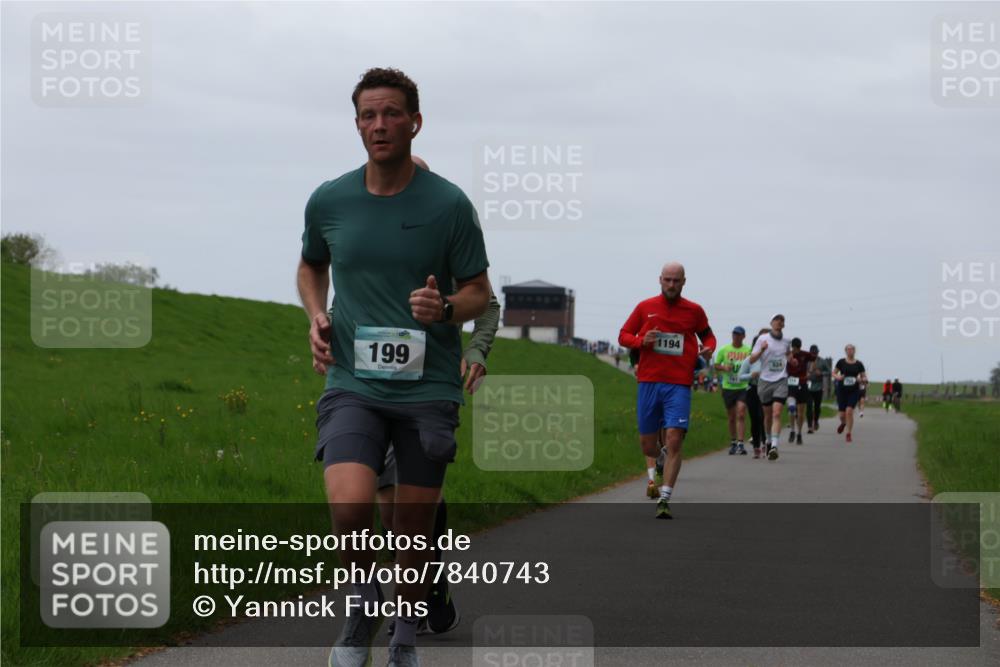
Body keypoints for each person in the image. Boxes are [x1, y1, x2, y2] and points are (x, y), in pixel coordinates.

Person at [298, 67, 491, 667]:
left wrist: (445, 308)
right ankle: (359, 615)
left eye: (391, 114)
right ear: (357, 124)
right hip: (353, 382)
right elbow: (311, 266)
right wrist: (314, 315)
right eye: (367, 115)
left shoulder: (449, 204)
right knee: (350, 505)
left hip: (427, 388)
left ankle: (403, 642)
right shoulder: (330, 198)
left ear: (414, 122)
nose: (379, 125)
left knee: (411, 535)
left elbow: (481, 292)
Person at [619, 262, 716, 519]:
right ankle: (658, 462)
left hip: (679, 384)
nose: (672, 285)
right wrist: (642, 341)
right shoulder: (645, 307)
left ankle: (665, 497)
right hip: (649, 382)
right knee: (648, 446)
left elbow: (708, 336)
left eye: (676, 280)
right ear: (660, 280)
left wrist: (708, 347)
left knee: (674, 438)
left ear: (684, 282)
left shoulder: (694, 311)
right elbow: (623, 335)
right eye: (668, 280)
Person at [748, 314, 792, 461]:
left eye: (782, 321)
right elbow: (752, 359)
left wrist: (792, 360)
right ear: (771, 323)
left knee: (777, 413)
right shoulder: (762, 339)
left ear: (783, 325)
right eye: (777, 320)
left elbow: (789, 356)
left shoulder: (787, 342)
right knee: (767, 416)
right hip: (765, 381)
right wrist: (761, 350)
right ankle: (767, 440)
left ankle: (774, 445)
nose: (779, 323)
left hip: (781, 380)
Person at [714, 326, 752, 455]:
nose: (736, 336)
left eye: (739, 334)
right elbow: (716, 365)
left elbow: (753, 364)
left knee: (741, 413)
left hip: (743, 386)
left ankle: (741, 443)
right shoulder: (724, 350)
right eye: (734, 334)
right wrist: (724, 367)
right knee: (731, 417)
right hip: (728, 387)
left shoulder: (748, 350)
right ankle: (733, 442)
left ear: (743, 336)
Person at [737, 328, 769, 458]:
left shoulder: (770, 360)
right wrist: (752, 375)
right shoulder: (749, 360)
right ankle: (756, 446)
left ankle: (766, 443)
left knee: (763, 417)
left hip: (766, 390)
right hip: (752, 390)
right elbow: (740, 376)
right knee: (755, 419)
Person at [833, 344, 867, 443]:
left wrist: (861, 379)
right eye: (848, 349)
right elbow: (834, 373)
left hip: (853, 391)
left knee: (849, 411)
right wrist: (838, 377)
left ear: (854, 351)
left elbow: (864, 377)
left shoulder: (859, 364)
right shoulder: (841, 362)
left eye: (852, 349)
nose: (850, 351)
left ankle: (848, 433)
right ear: (845, 351)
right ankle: (843, 423)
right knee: (842, 415)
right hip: (842, 390)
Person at [785, 338, 816, 445]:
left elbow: (814, 359)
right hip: (790, 383)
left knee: (801, 412)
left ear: (800, 347)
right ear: (792, 347)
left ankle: (799, 433)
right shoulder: (788, 355)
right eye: (794, 348)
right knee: (792, 408)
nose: (795, 351)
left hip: (802, 384)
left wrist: (810, 371)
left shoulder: (805, 354)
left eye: (797, 348)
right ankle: (792, 430)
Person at [805, 345, 826, 433]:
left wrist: (821, 373)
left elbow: (829, 371)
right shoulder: (806, 361)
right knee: (809, 406)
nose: (814, 354)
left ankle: (816, 421)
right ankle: (810, 426)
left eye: (815, 353)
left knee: (817, 407)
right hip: (808, 386)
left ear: (818, 352)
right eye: (812, 353)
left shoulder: (822, 361)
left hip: (818, 387)